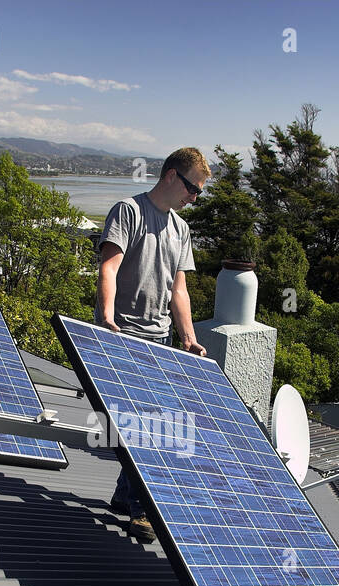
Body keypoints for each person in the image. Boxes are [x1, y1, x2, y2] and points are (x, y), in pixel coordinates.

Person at [97, 146, 210, 542]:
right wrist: (107, 318)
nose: (194, 198)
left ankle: (126, 497)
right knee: (147, 428)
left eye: (199, 193)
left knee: (151, 425)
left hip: (160, 339)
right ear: (170, 176)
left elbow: (179, 290)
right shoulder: (128, 211)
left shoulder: (182, 230)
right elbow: (109, 267)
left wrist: (189, 338)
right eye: (193, 189)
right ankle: (143, 509)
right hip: (122, 334)